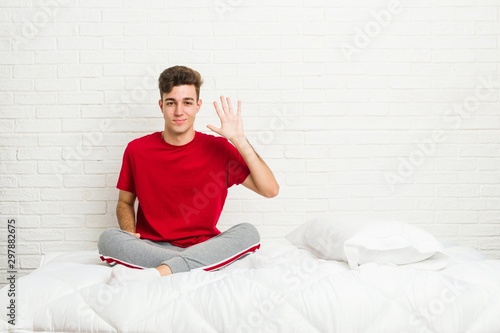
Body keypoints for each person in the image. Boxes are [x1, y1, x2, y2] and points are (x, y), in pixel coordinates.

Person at [97, 65, 279, 284]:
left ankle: (161, 272)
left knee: (248, 233)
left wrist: (239, 139)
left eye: (187, 102)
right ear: (161, 105)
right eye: (171, 102)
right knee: (108, 239)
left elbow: (270, 189)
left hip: (204, 245)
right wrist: (129, 233)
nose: (179, 111)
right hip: (151, 246)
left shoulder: (220, 149)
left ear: (198, 105)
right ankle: (196, 264)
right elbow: (124, 203)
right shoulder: (137, 150)